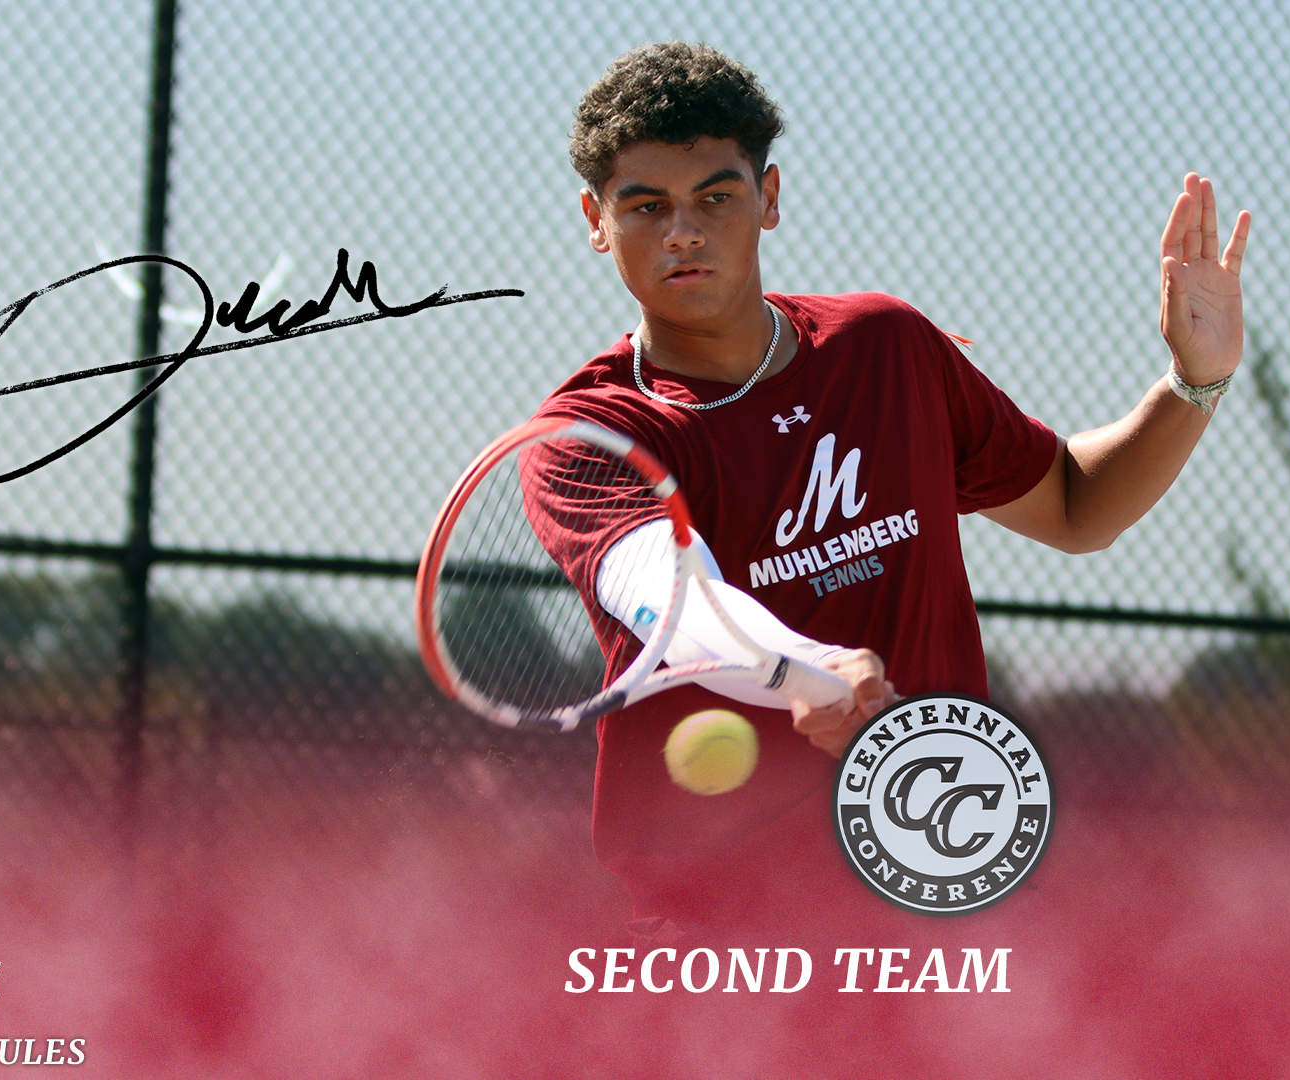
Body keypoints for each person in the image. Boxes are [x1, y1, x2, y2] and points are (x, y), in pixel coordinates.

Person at [530, 41, 1250, 941]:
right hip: (723, 930)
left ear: (771, 198)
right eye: (647, 206)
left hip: (937, 888)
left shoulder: (887, 347)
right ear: (597, 220)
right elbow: (675, 600)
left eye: (716, 196)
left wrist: (1196, 380)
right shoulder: (590, 435)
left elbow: (1074, 504)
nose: (684, 231)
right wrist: (801, 668)